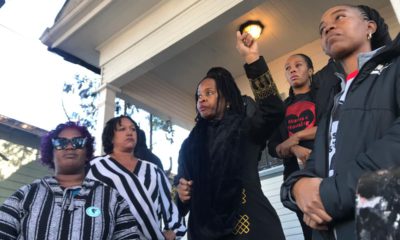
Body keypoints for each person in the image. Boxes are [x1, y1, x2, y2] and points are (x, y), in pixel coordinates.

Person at [281, 4, 397, 240]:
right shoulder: (334, 101)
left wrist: (327, 195)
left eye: (340, 17)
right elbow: (315, 166)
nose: (329, 27)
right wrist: (296, 189)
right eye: (322, 29)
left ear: (370, 27)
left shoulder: (394, 71)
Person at [174, 31, 286, 240]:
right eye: (199, 95)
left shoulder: (244, 129)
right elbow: (181, 190)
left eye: (209, 93)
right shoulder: (189, 145)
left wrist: (251, 59)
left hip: (249, 226)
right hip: (203, 231)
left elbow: (273, 110)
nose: (201, 99)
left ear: (225, 99)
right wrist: (181, 194)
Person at [0, 121, 141, 240]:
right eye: (60, 143)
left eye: (78, 142)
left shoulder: (112, 199)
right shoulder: (25, 195)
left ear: (87, 153)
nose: (69, 146)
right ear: (51, 153)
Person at [86, 116, 186, 240]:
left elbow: (170, 208)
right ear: (111, 137)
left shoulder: (153, 170)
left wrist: (174, 232)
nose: (129, 132)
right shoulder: (96, 167)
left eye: (133, 129)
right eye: (122, 129)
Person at [268, 53, 316, 240]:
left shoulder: (321, 97)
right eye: (288, 68)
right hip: (295, 179)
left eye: (298, 65)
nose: (292, 70)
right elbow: (273, 147)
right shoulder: (281, 110)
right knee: (310, 232)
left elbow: (329, 125)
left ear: (310, 70)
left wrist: (294, 137)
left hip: (325, 171)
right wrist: (293, 148)